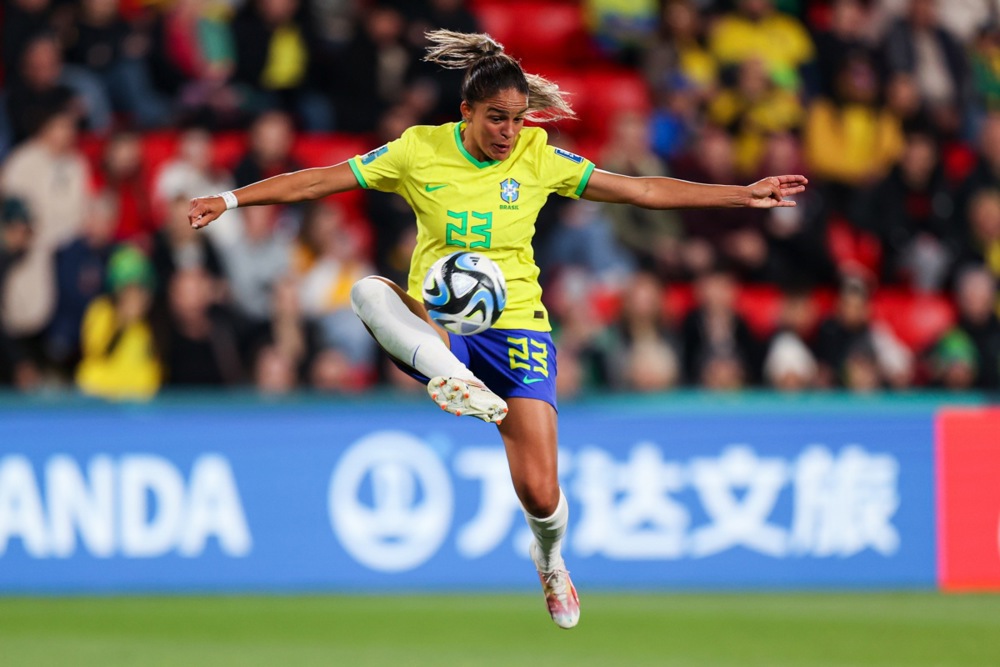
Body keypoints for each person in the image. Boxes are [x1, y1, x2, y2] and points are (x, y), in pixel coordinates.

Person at [187, 29, 808, 630]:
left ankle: (551, 559)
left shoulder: (540, 157)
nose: (509, 132)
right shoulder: (416, 149)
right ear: (467, 112)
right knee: (366, 292)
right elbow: (321, 180)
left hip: (517, 330)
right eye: (496, 119)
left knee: (540, 493)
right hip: (441, 325)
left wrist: (738, 195)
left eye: (517, 118)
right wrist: (232, 200)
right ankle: (454, 379)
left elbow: (641, 189)